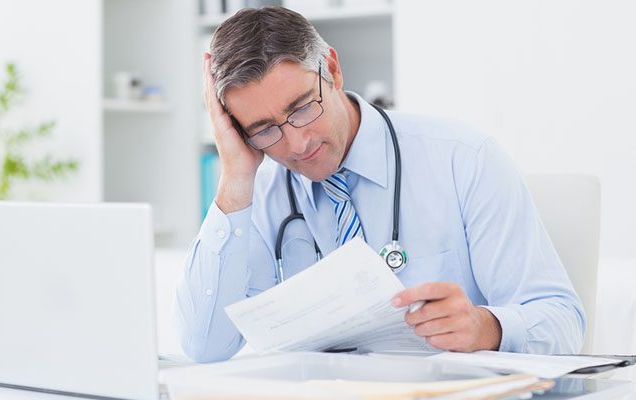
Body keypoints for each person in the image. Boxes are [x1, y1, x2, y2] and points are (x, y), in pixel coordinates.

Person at [175, 6, 585, 363]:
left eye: (302, 107)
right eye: (264, 129)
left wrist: (487, 327)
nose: (297, 143)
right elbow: (204, 346)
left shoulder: (463, 157)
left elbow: (564, 321)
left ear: (332, 70)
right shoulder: (258, 192)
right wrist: (234, 179)